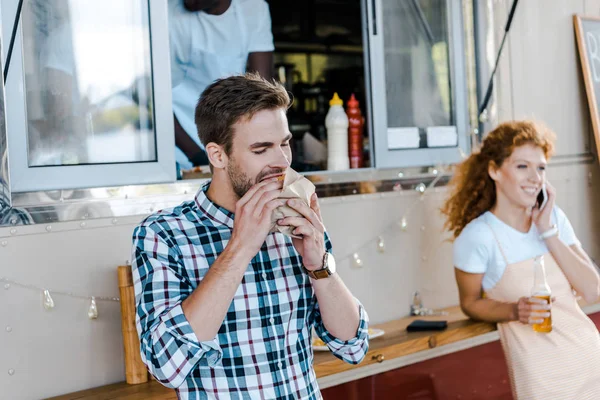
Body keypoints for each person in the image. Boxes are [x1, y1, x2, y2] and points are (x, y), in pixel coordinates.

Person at [131, 73, 369, 399]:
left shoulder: (294, 220)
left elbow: (353, 347)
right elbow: (165, 367)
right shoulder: (163, 235)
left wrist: (319, 264)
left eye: (284, 143)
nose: (282, 161)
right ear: (218, 155)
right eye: (261, 149)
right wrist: (241, 246)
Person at [441, 121, 600, 399]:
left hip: (590, 363)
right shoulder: (478, 237)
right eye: (522, 166)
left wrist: (547, 231)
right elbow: (470, 303)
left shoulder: (553, 219)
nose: (535, 177)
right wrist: (515, 311)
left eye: (541, 168)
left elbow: (592, 289)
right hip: (541, 380)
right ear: (494, 170)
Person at [168, 0, 275, 170]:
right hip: (178, 147)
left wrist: (272, 147)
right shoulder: (166, 13)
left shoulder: (253, 8)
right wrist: (198, 155)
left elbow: (262, 90)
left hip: (229, 141)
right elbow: (154, 100)